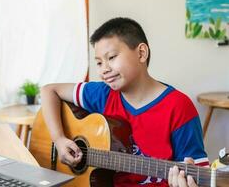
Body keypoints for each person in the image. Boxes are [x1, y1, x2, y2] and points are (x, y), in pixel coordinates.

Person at [40, 17, 209, 186]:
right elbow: (49, 91)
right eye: (99, 62)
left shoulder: (179, 106)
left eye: (111, 57)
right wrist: (59, 139)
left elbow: (200, 178)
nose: (104, 69)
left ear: (141, 53)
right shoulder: (103, 94)